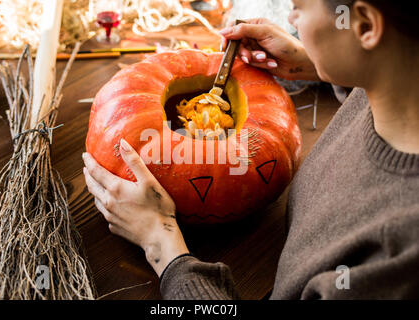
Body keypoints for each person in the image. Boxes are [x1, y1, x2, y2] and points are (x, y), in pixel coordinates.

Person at [82, 0, 419, 299]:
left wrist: (160, 241)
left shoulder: (394, 256)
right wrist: (313, 61)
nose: (291, 18)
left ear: (365, 26)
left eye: (299, 6)